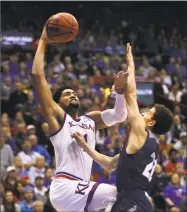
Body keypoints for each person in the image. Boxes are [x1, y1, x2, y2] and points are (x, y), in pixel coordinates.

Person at [31, 26, 128, 212]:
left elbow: (119, 115)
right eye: (67, 94)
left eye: (74, 92)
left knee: (119, 201)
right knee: (118, 194)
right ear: (58, 103)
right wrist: (43, 41)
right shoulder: (58, 118)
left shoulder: (90, 120)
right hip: (66, 187)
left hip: (80, 190)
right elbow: (37, 76)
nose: (73, 94)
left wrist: (121, 93)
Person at [72, 43, 174, 212]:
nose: (144, 113)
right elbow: (110, 163)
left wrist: (130, 65)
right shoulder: (148, 144)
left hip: (132, 202)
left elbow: (131, 95)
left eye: (149, 112)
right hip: (133, 200)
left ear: (151, 123)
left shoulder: (142, 133)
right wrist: (84, 146)